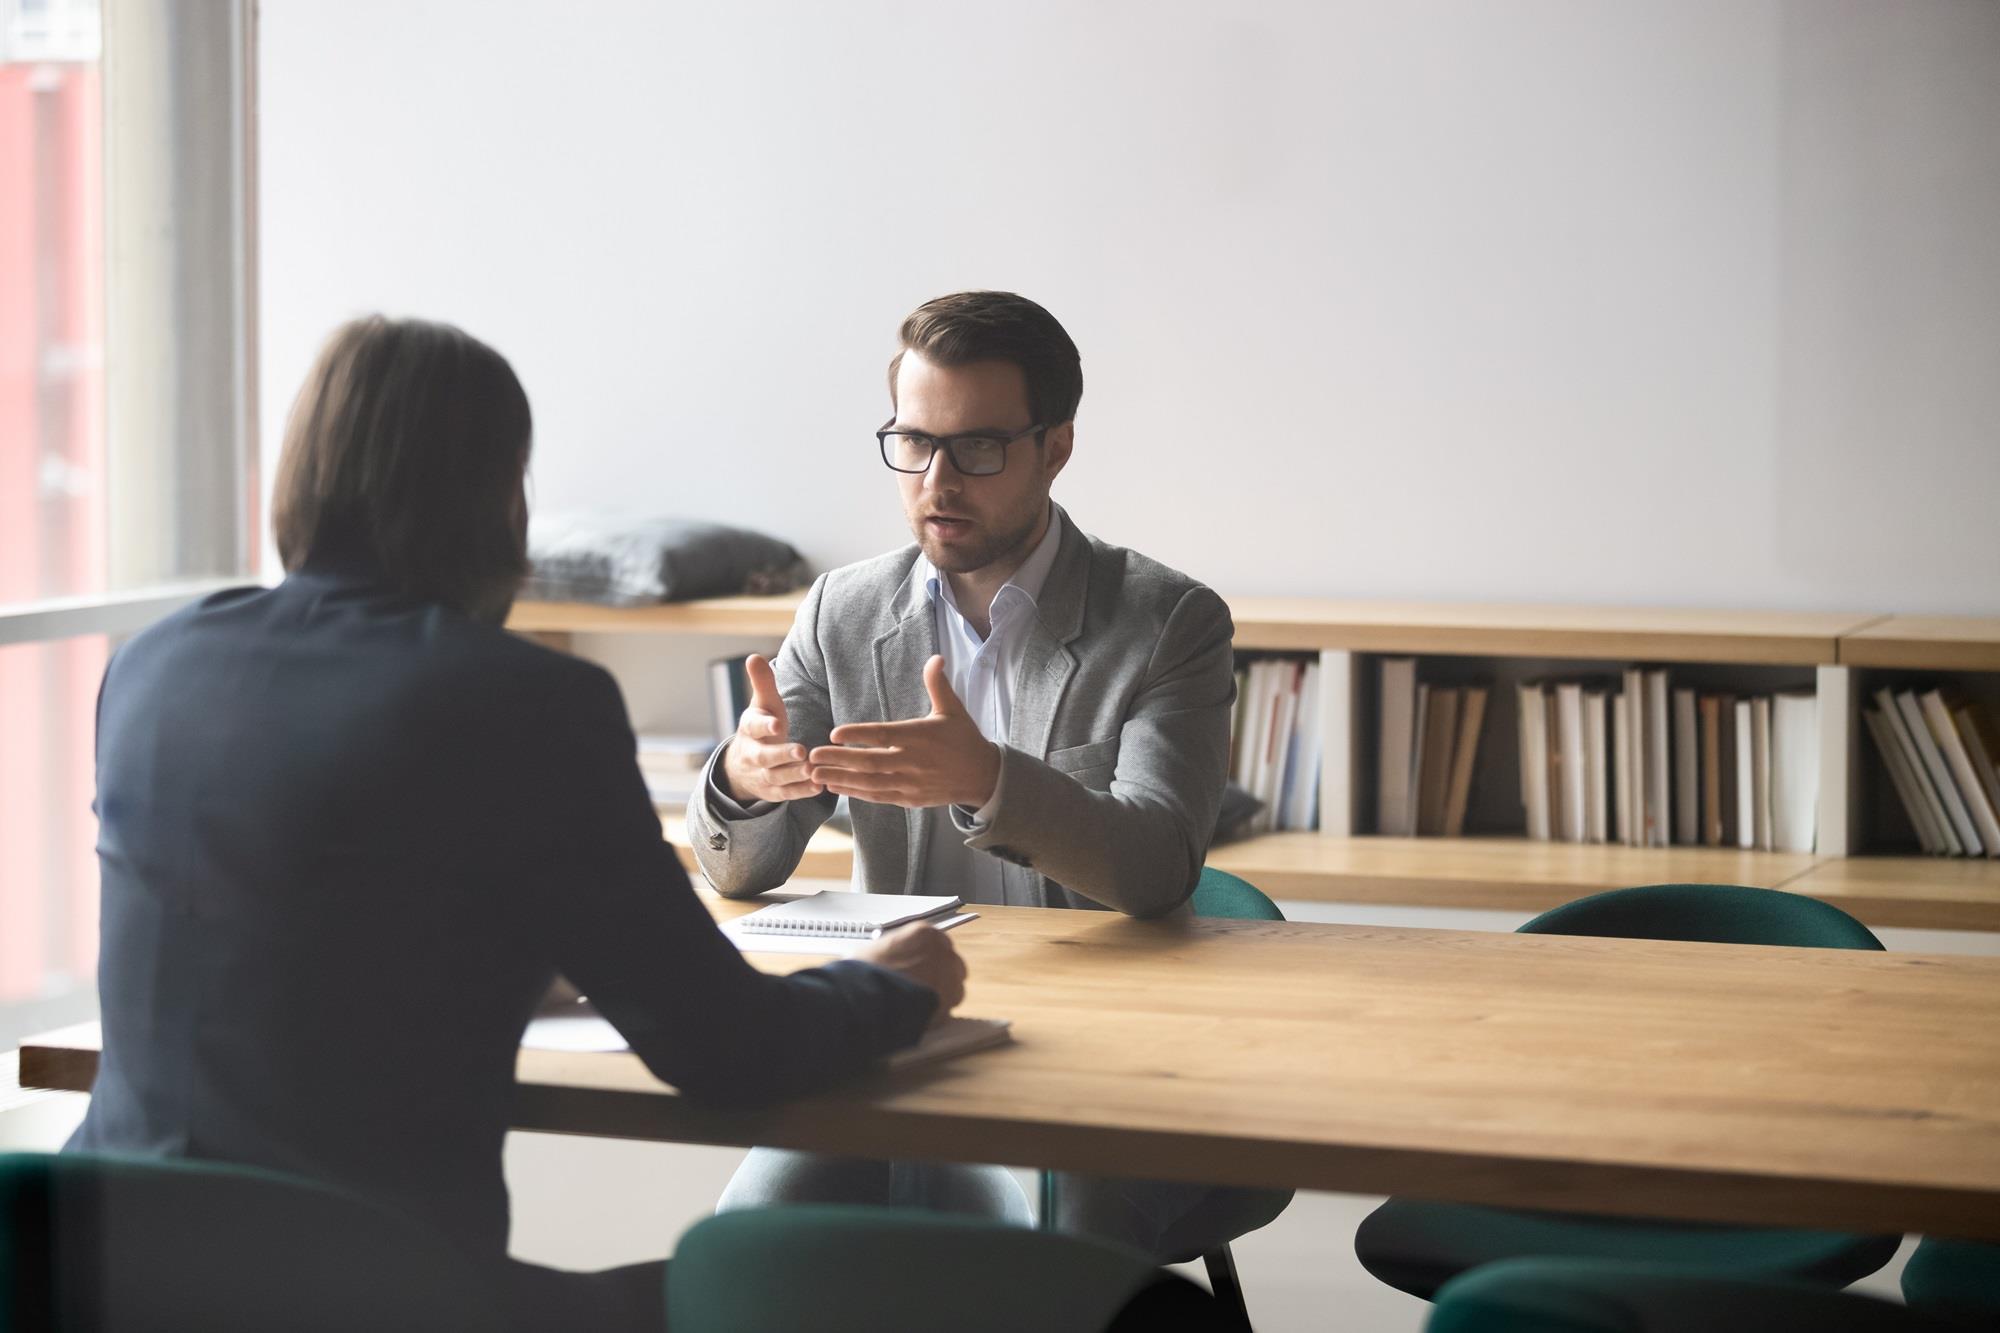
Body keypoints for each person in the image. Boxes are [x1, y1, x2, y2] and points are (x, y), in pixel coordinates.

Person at [66, 315, 964, 1332]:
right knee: (808, 1295)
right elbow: (727, 1051)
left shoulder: (153, 664)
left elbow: (275, 910)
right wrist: (890, 990)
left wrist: (491, 951)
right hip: (367, 1293)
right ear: (500, 495)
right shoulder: (527, 702)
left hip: (103, 1267)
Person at [686, 290, 1284, 1259]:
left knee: (1048, 1256)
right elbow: (739, 871)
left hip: (1116, 1054)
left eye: (977, 447)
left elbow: (1155, 865)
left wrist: (988, 779)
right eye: (912, 442)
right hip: (911, 1035)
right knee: (748, 1243)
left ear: (1055, 448)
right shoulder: (842, 611)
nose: (936, 479)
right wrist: (744, 782)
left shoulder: (1167, 622)